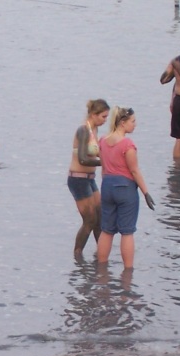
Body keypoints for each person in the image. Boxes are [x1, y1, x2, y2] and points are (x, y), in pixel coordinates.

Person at [97, 107, 155, 269]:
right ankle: (128, 272)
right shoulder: (127, 145)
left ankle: (101, 270)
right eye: (133, 121)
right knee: (127, 232)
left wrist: (106, 187)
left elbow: (103, 168)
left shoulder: (102, 141)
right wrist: (146, 193)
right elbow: (134, 170)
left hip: (107, 185)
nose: (135, 125)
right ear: (122, 123)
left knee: (107, 230)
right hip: (125, 188)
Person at [68, 99, 110, 257]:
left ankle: (102, 253)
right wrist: (105, 163)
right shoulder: (83, 130)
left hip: (89, 179)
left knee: (99, 217)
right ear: (94, 114)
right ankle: (78, 253)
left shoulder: (95, 130)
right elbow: (82, 159)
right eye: (103, 117)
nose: (105, 120)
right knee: (90, 220)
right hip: (78, 180)